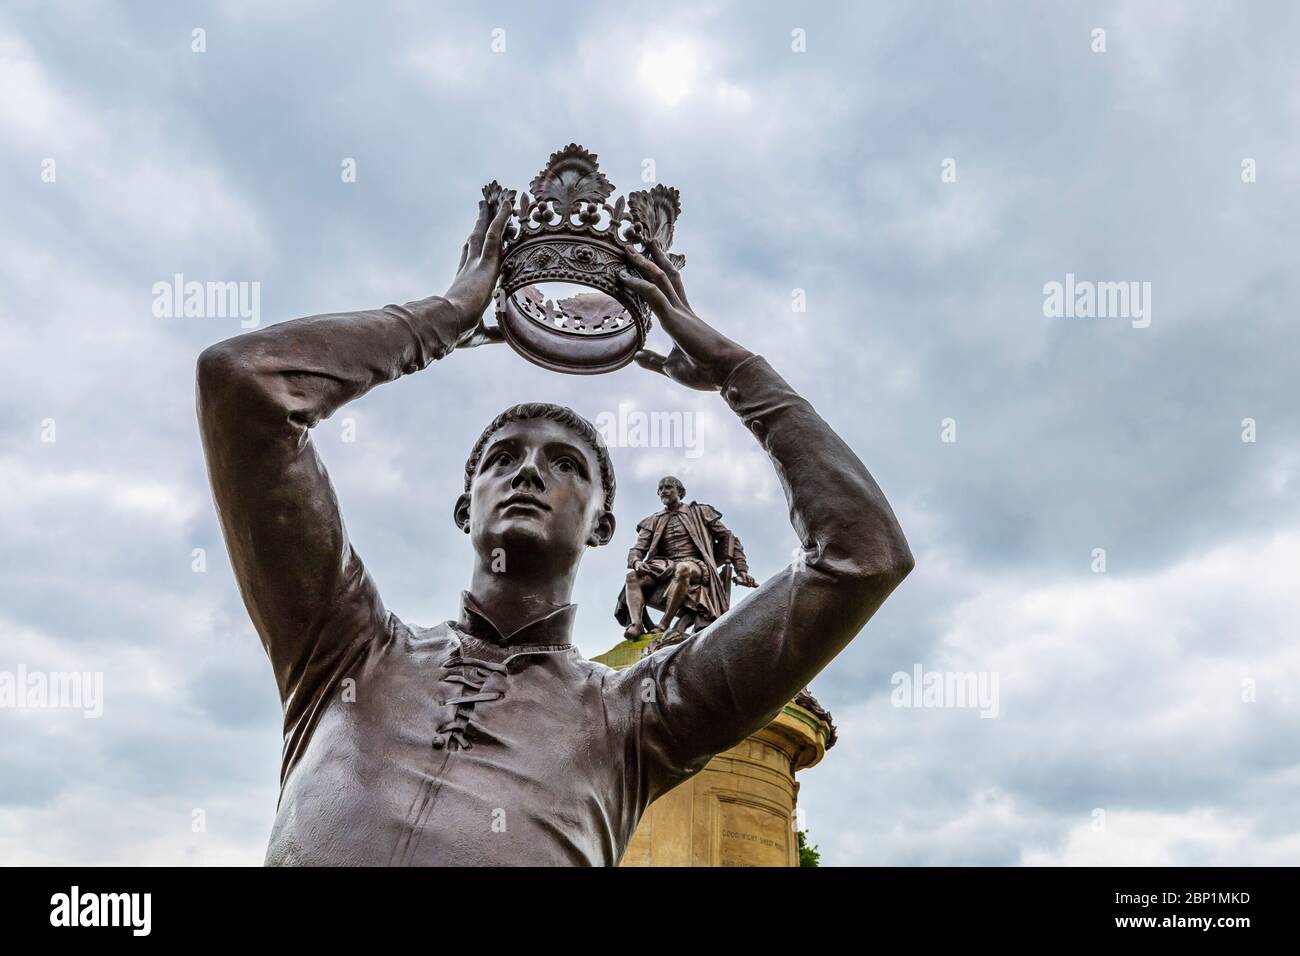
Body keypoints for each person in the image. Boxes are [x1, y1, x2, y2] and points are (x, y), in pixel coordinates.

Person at [196, 192, 913, 865]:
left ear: (603, 525)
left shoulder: (638, 717)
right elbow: (245, 384)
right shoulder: (343, 649)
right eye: (503, 457)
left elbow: (862, 554)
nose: (529, 471)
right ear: (463, 508)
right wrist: (440, 320)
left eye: (564, 462)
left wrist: (739, 371)